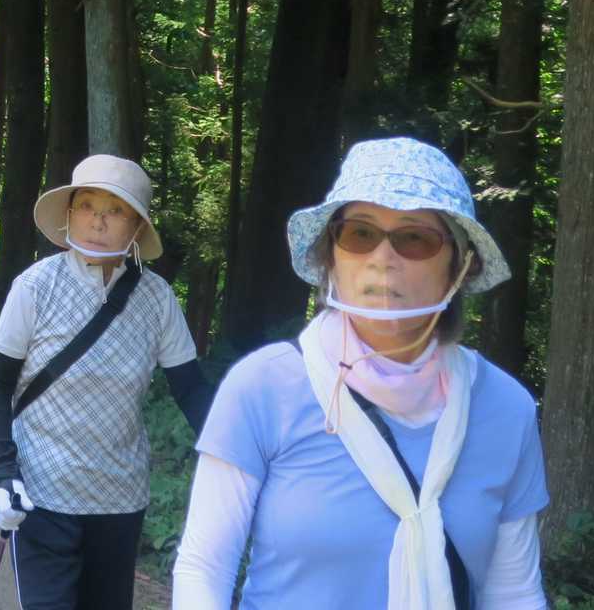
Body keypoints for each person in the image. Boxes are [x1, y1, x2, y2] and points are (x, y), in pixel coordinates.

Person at [172, 137, 547, 610]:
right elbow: (204, 569)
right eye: (360, 234)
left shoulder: (505, 408)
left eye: (415, 238)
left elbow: (514, 593)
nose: (383, 257)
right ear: (331, 254)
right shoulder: (263, 386)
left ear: (460, 265)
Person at [0, 154, 214, 610]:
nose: (98, 221)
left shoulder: (157, 299)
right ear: (69, 213)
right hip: (41, 491)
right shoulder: (35, 286)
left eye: (116, 211)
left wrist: (239, 456)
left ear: (137, 228)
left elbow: (192, 390)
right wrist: (3, 472)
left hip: (119, 499)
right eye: (87, 205)